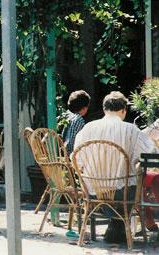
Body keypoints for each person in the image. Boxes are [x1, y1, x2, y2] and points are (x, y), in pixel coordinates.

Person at [74, 91, 156, 243]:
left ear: (104, 109)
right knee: (139, 177)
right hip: (123, 194)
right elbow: (151, 152)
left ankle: (116, 226)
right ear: (124, 110)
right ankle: (123, 225)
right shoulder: (131, 130)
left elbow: (77, 161)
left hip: (92, 192)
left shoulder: (87, 129)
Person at [62, 90, 90, 155]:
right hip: (73, 155)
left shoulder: (69, 116)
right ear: (84, 108)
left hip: (65, 153)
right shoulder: (79, 120)